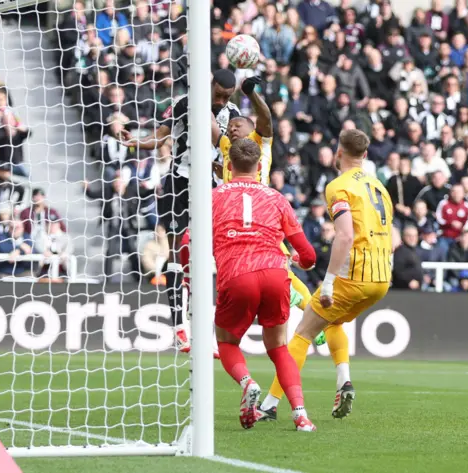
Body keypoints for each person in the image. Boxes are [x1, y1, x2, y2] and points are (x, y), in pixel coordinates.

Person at [261, 129, 392, 420]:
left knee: (303, 333)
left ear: (339, 152)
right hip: (381, 279)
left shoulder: (338, 186)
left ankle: (269, 404)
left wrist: (330, 282)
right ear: (366, 155)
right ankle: (343, 379)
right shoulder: (380, 187)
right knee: (331, 322)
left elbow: (345, 236)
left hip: (354, 276)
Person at [120, 69, 241, 353]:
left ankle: (205, 330)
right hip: (180, 181)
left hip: (212, 186)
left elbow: (231, 151)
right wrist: (134, 141)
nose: (222, 101)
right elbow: (160, 137)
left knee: (209, 257)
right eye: (219, 95)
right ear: (210, 86)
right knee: (174, 251)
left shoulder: (232, 113)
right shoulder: (186, 103)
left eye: (227, 97)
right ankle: (178, 327)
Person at [212, 138, 316, 432]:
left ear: (229, 167)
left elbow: (188, 240)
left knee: (228, 342)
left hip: (237, 274)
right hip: (274, 274)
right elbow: (308, 255)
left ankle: (248, 383)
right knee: (279, 349)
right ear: (259, 167)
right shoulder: (277, 198)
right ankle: (301, 416)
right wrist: (299, 260)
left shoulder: (214, 196)